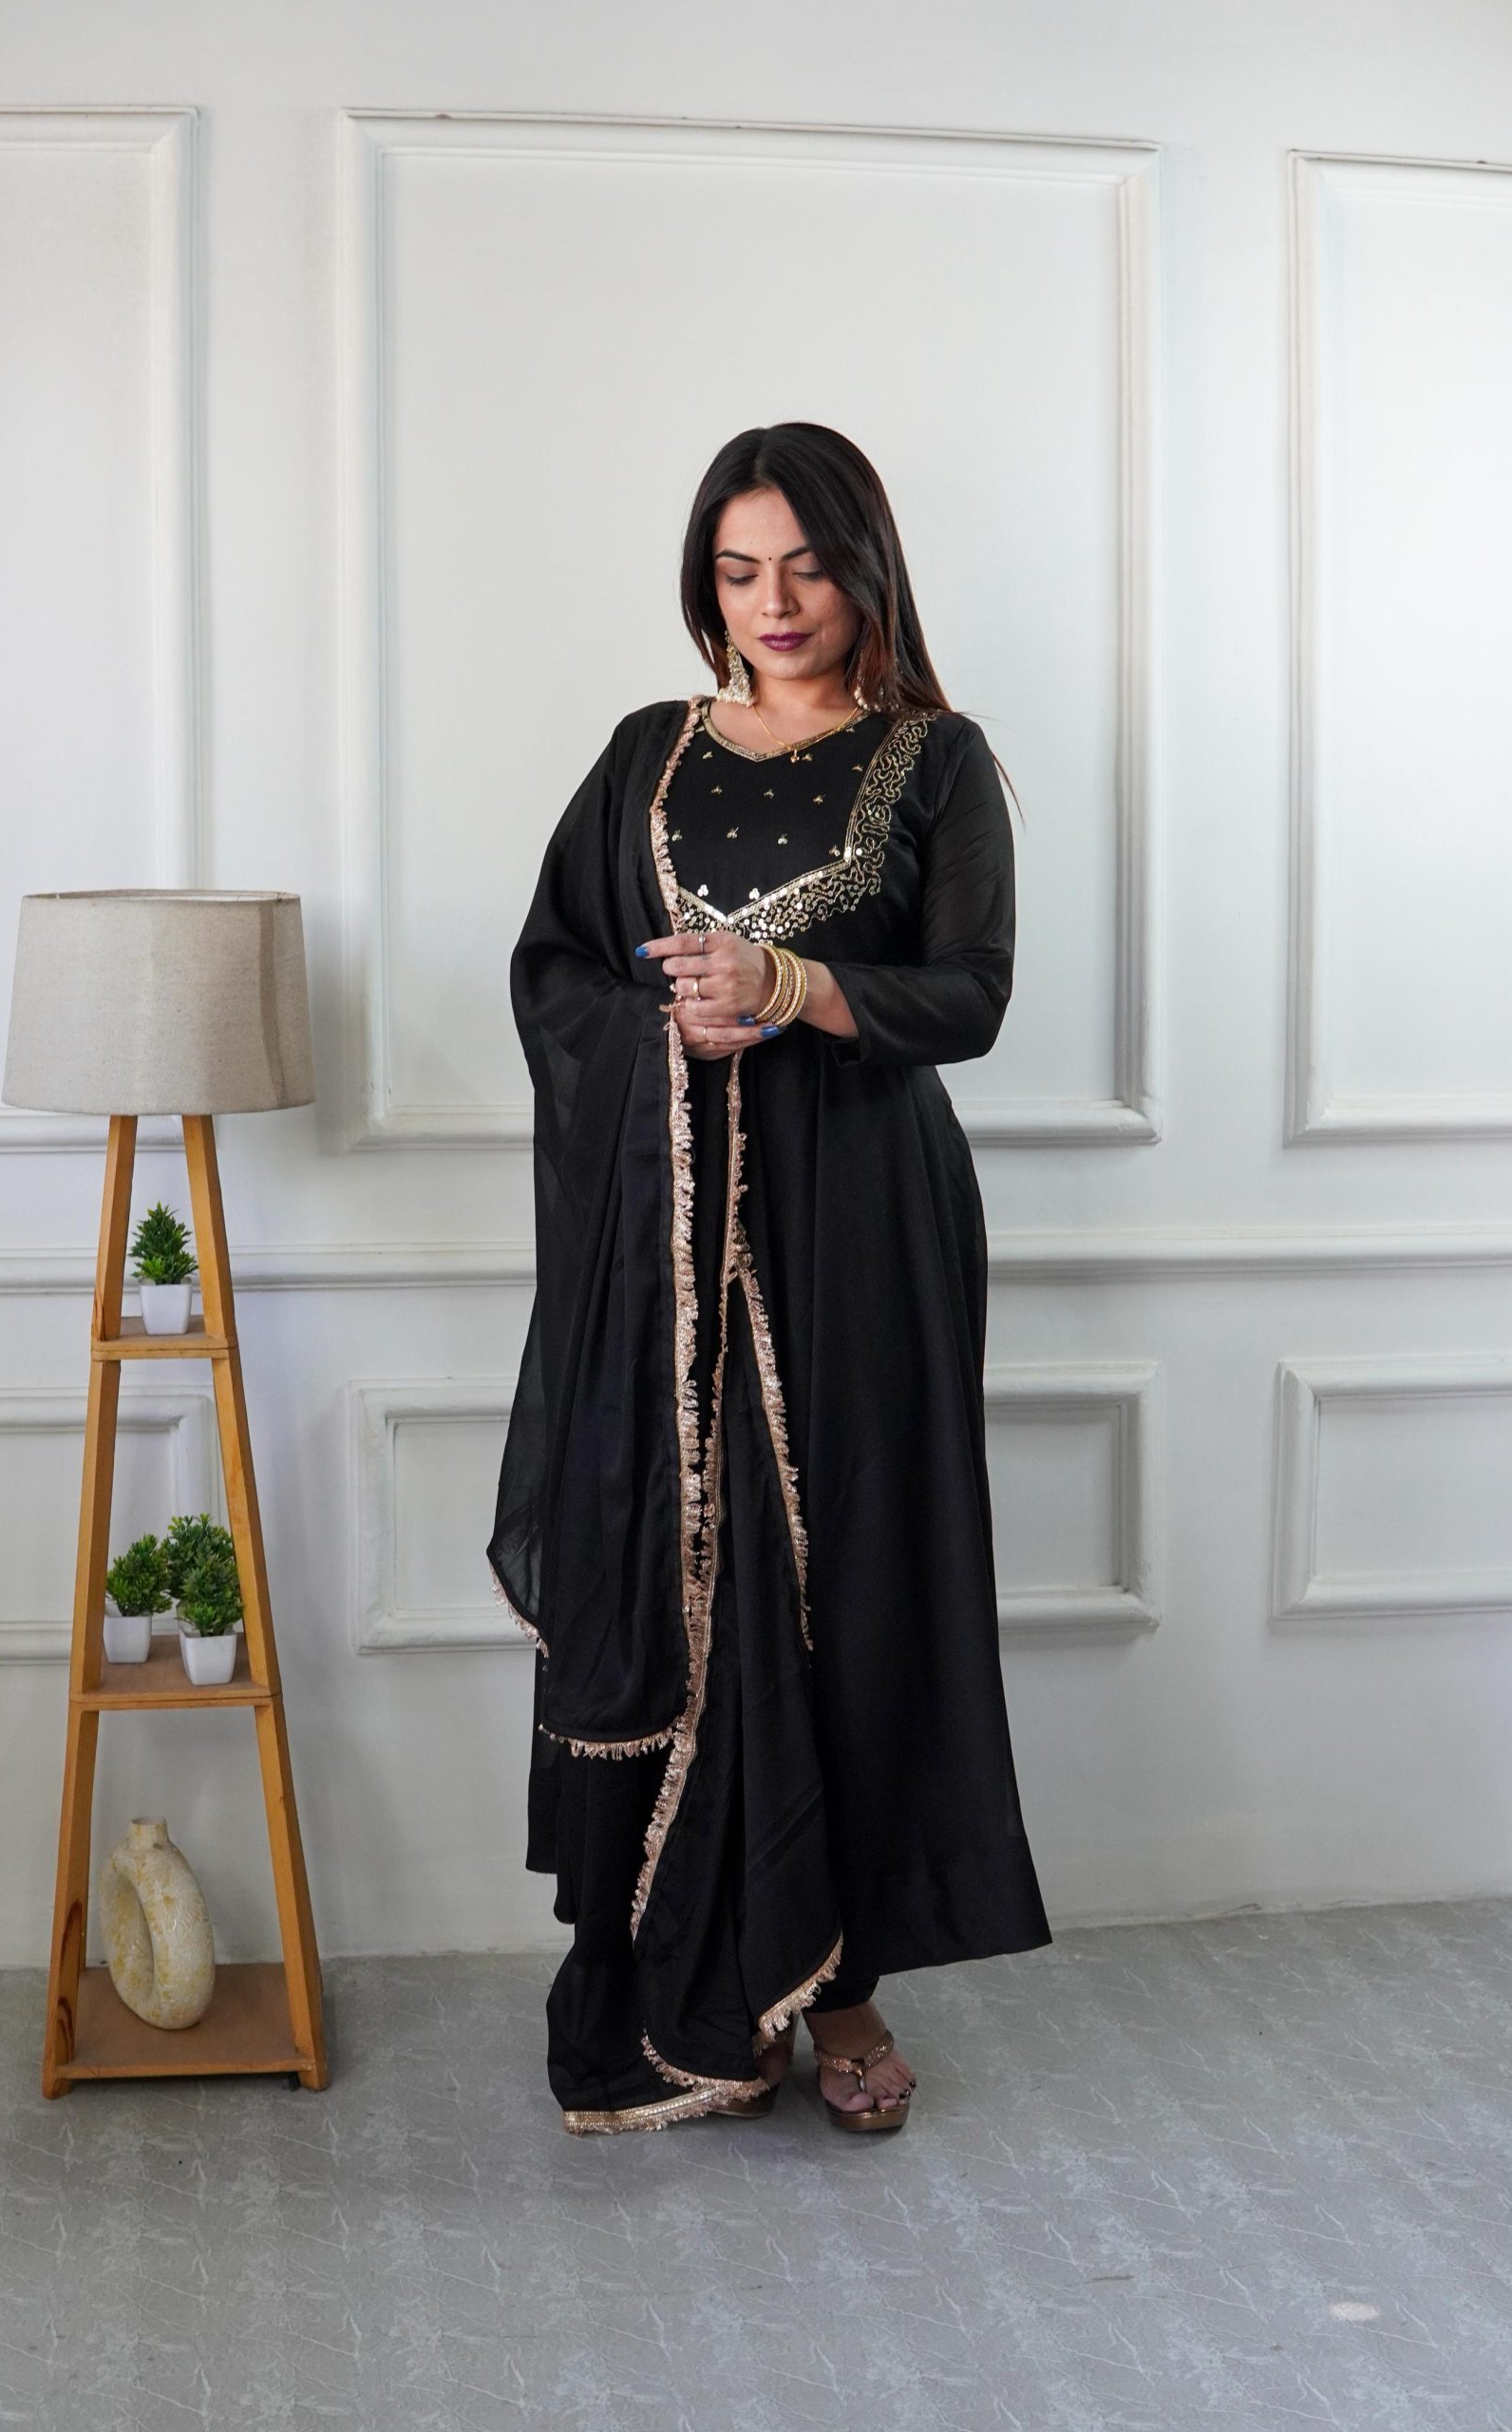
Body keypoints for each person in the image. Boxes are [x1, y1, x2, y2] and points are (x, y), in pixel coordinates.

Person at [487, 421, 1051, 2137]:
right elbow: (551, 968)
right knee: (680, 1569)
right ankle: (692, 1984)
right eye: (740, 571)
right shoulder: (646, 756)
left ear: (864, 568)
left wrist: (790, 988)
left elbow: (973, 994)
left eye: (805, 566)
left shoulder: (935, 761)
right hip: (667, 1245)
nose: (776, 602)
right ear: (706, 584)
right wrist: (668, 1020)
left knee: (851, 1584)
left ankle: (845, 1983)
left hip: (859, 1236)